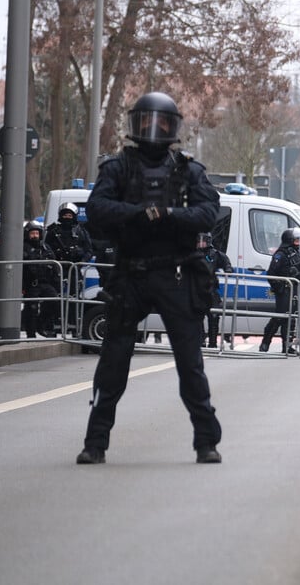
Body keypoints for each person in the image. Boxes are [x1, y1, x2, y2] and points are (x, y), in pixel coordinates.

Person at [75, 91, 223, 465]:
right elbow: (96, 209)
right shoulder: (118, 168)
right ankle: (95, 443)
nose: (153, 128)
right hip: (133, 275)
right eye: (146, 121)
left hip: (176, 273)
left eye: (161, 122)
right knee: (113, 362)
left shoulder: (189, 170)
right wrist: (138, 214)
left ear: (173, 128)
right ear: (135, 124)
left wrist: (170, 215)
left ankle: (206, 441)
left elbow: (209, 212)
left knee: (190, 363)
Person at [45, 202, 93, 336]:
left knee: (74, 298)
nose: (67, 217)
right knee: (55, 298)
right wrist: (53, 262)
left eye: (69, 214)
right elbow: (45, 249)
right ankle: (53, 326)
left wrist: (81, 262)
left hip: (74, 269)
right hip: (57, 269)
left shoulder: (81, 231)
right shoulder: (52, 232)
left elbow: (89, 250)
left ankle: (74, 326)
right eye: (65, 214)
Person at [260, 227, 300, 354]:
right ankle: (265, 342)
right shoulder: (280, 254)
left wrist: (297, 274)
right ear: (289, 240)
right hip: (284, 290)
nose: (298, 243)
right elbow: (271, 273)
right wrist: (279, 287)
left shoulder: (295, 254)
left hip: (294, 289)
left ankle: (287, 346)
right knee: (279, 317)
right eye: (296, 240)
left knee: (291, 318)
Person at [21, 221, 61, 339]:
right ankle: (31, 334)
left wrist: (56, 283)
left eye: (36, 233)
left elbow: (54, 265)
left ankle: (41, 324)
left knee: (54, 301)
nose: (34, 236)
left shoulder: (45, 247)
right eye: (32, 233)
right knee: (31, 308)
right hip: (31, 284)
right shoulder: (23, 248)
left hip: (45, 283)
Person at [197, 232, 234, 349]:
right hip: (196, 289)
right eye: (199, 240)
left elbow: (227, 263)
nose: (201, 243)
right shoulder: (193, 254)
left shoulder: (215, 254)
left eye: (203, 240)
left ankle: (212, 342)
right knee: (197, 316)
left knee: (214, 316)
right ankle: (200, 340)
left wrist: (228, 269)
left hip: (211, 289)